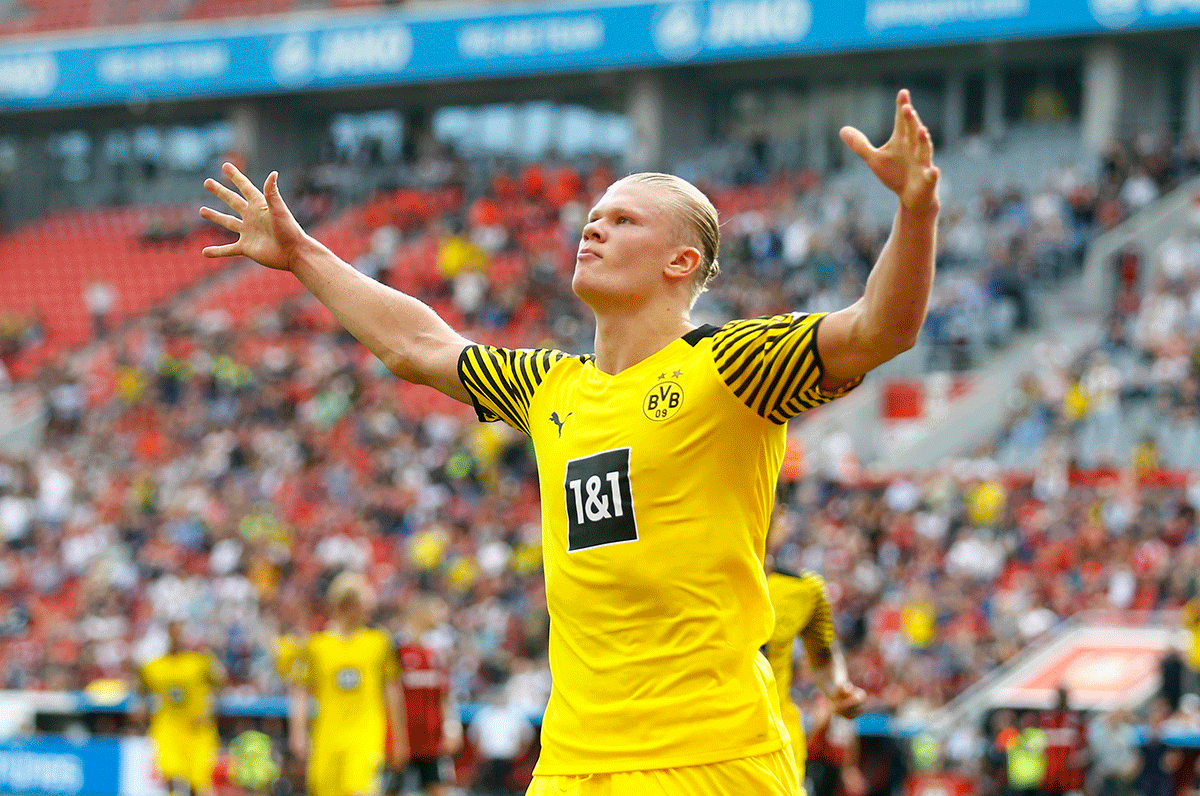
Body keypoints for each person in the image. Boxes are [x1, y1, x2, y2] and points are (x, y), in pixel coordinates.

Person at [201, 88, 940, 796]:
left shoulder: (734, 365)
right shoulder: (550, 386)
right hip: (572, 763)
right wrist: (303, 256)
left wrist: (915, 209)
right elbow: (418, 345)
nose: (593, 228)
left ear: (680, 262)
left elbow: (881, 328)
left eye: (623, 221)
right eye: (593, 216)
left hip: (712, 758)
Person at [764, 512, 866, 788]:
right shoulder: (700, 583)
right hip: (707, 731)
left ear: (781, 521)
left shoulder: (803, 589)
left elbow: (823, 657)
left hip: (774, 734)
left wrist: (839, 688)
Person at [289, 571, 408, 796]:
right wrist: (298, 733)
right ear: (347, 604)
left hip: (366, 735)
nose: (369, 609)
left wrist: (400, 740)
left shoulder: (378, 642)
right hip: (327, 736)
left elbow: (393, 691)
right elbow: (300, 691)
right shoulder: (316, 645)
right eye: (364, 603)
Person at [135, 620, 226, 796]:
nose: (176, 637)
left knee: (195, 782)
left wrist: (212, 711)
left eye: (179, 632)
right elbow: (141, 685)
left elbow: (220, 685)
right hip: (169, 727)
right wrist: (142, 706)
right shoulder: (155, 666)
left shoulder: (199, 662)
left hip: (196, 727)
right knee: (170, 774)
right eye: (172, 632)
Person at [389, 594, 461, 796]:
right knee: (390, 788)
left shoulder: (437, 652)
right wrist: (395, 738)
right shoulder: (396, 648)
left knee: (439, 788)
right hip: (401, 738)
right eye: (437, 609)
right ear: (420, 613)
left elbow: (445, 695)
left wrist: (452, 728)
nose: (442, 615)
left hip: (431, 739)